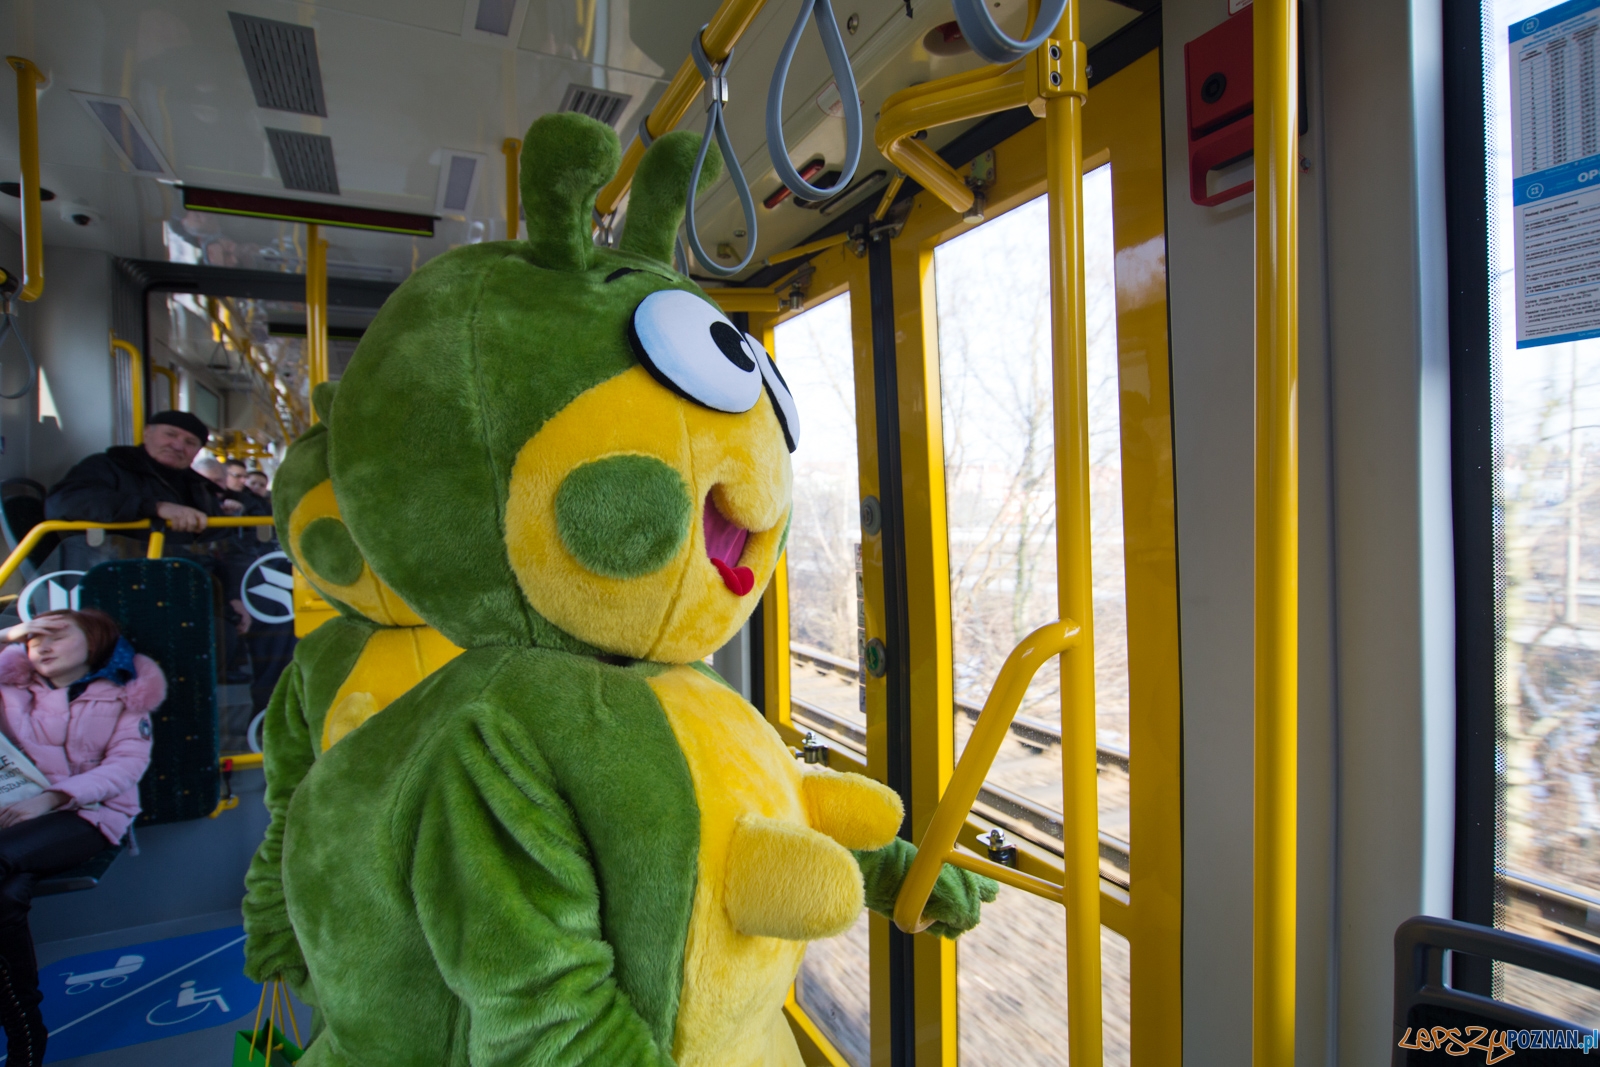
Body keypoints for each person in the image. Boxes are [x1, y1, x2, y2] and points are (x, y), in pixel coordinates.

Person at [0, 609, 161, 1066]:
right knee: (7, 896)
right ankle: (26, 1035)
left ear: (93, 643)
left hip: (88, 814)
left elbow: (124, 767)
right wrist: (7, 633)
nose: (41, 646)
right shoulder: (11, 688)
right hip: (12, 812)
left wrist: (51, 799)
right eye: (33, 639)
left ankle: (24, 1034)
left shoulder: (126, 696)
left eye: (56, 636)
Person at [44, 411, 231, 540]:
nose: (178, 446)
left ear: (197, 451)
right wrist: (154, 507)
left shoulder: (201, 487)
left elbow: (218, 540)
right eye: (170, 434)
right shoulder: (109, 465)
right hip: (115, 571)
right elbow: (65, 503)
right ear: (147, 433)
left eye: (190, 442)